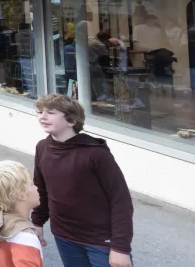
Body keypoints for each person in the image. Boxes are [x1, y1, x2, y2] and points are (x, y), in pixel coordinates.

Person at [32, 94, 133, 267]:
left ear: (71, 121)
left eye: (51, 112)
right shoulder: (42, 147)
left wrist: (120, 248)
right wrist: (37, 221)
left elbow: (121, 200)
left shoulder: (96, 154)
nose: (42, 116)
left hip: (100, 240)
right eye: (40, 112)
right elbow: (41, 190)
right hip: (64, 236)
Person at [0, 160, 44, 267]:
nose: (37, 187)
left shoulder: (0, 221)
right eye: (32, 184)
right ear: (21, 195)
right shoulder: (25, 237)